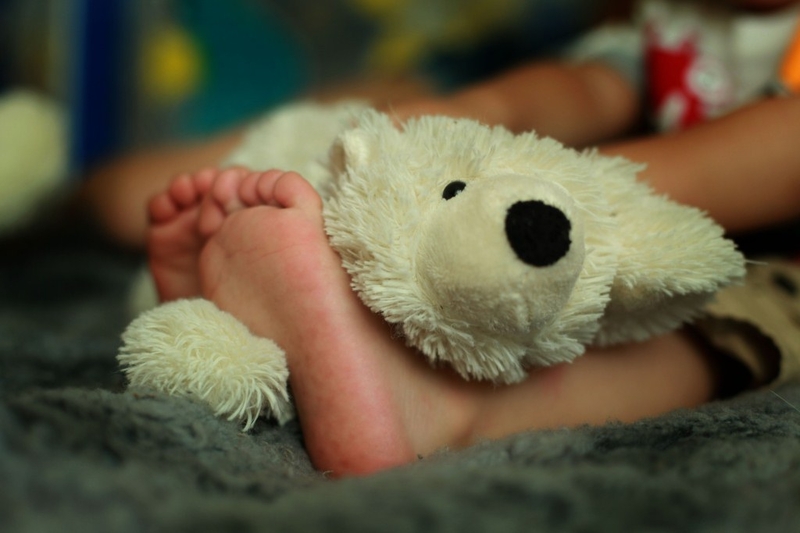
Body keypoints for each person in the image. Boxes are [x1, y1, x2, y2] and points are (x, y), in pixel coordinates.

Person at [94, 0, 800, 476]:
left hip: (773, 259)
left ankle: (446, 409)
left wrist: (562, 185)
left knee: (712, 328)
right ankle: (325, 312)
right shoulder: (683, 15)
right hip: (611, 216)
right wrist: (469, 113)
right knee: (463, 251)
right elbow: (590, 86)